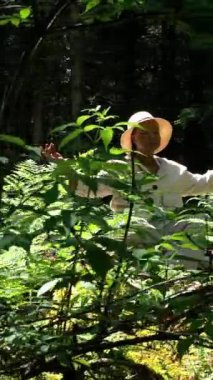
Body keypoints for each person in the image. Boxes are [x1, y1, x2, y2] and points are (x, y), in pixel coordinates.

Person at [42, 111, 213, 268]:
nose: (151, 137)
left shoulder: (173, 170)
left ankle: (183, 274)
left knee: (197, 221)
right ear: (133, 138)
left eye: (155, 133)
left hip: (168, 230)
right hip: (136, 232)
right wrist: (63, 168)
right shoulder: (119, 168)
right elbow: (88, 188)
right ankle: (142, 273)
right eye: (144, 133)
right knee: (138, 228)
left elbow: (201, 184)